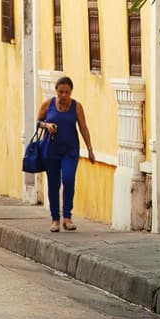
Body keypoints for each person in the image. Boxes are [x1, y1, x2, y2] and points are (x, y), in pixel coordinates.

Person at [35, 75, 96, 232]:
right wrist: (46, 125)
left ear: (71, 92)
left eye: (67, 92)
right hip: (51, 151)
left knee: (68, 180)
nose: (63, 95)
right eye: (61, 92)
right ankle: (55, 219)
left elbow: (83, 127)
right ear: (56, 91)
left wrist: (90, 149)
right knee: (54, 184)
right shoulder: (48, 105)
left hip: (70, 150)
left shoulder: (76, 107)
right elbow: (37, 122)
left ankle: (67, 217)